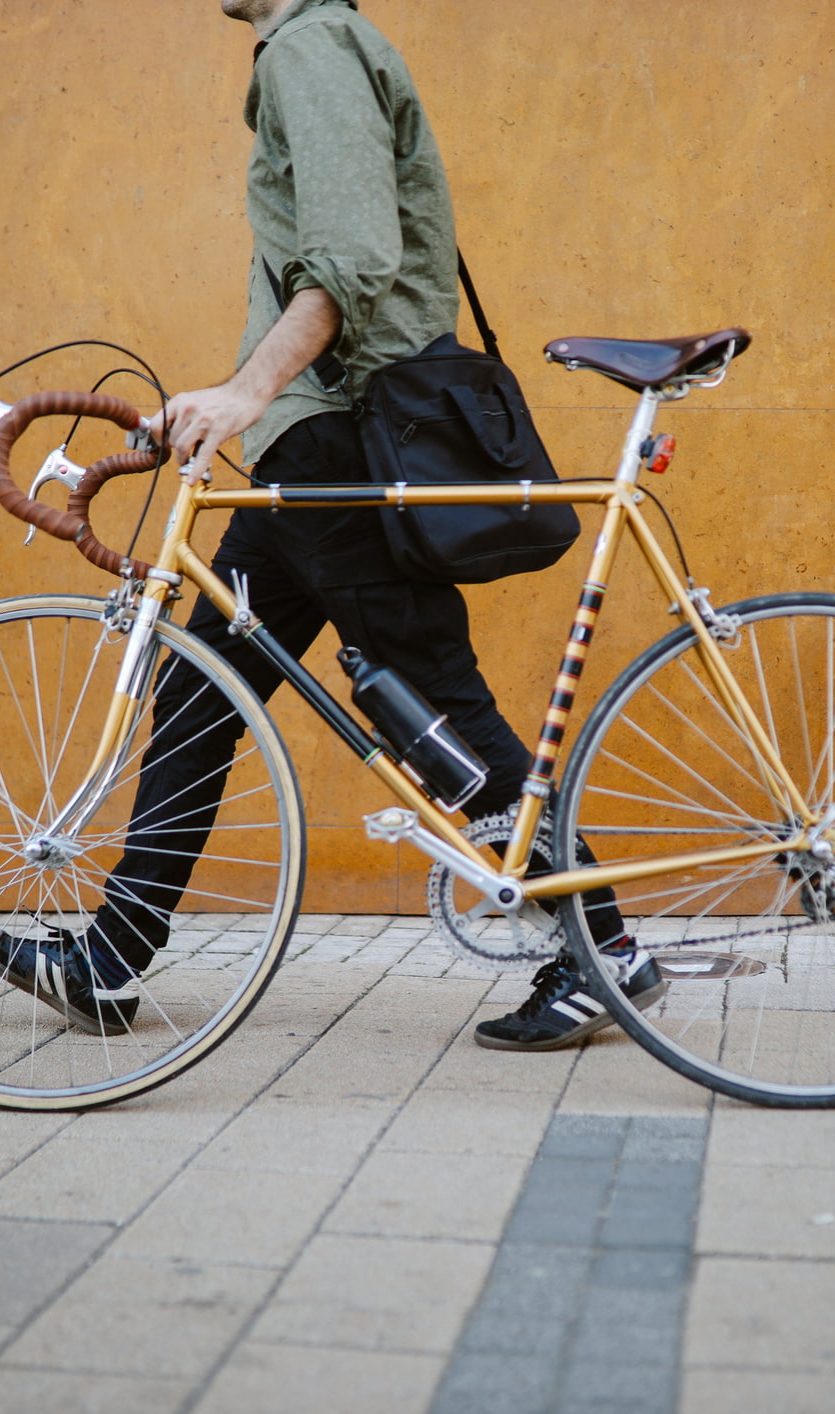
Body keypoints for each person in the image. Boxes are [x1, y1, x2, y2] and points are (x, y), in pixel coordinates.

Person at [0, 0, 665, 1049]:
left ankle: (602, 950)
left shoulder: (311, 45)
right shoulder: (308, 49)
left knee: (430, 696)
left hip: (336, 435)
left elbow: (351, 258)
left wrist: (245, 392)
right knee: (201, 694)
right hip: (303, 446)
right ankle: (111, 956)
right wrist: (245, 400)